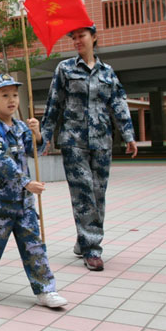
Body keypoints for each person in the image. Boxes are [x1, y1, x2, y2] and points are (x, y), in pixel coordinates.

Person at [40, 25, 137, 272]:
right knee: (83, 192)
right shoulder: (65, 69)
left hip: (103, 141)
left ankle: (84, 239)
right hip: (73, 142)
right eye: (72, 37)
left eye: (81, 36)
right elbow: (54, 104)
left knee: (98, 193)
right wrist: (45, 135)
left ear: (94, 37)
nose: (76, 41)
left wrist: (128, 135)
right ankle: (93, 248)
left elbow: (118, 103)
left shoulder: (107, 72)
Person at [0, 74, 67, 308]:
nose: (12, 100)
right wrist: (26, 182)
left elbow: (36, 151)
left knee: (33, 243)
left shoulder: (21, 126)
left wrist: (37, 134)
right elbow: (3, 161)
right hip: (1, 199)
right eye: (5, 95)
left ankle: (45, 289)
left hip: (23, 201)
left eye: (14, 95)